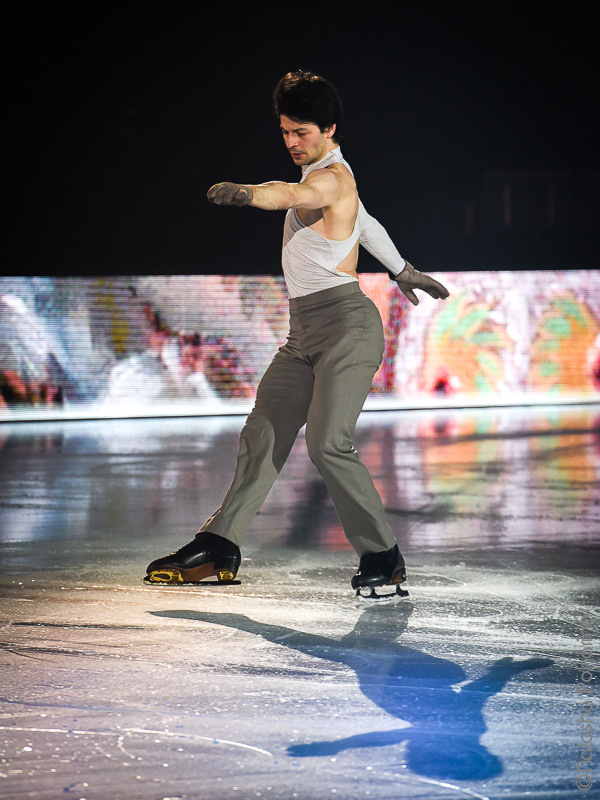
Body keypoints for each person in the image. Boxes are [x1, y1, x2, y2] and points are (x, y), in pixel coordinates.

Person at [145, 70, 449, 599]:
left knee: (329, 444)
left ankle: (383, 554)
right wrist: (402, 269)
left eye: (300, 132)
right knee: (262, 433)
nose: (290, 141)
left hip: (347, 328)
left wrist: (247, 195)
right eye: (284, 131)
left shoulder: (330, 178)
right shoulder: (339, 180)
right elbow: (367, 223)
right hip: (303, 333)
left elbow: (289, 193)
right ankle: (220, 543)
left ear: (329, 128)